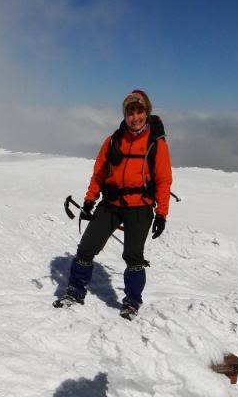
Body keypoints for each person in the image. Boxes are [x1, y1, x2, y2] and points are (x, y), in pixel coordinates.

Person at [54, 89, 173, 320]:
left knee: (133, 257)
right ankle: (75, 292)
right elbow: (99, 173)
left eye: (139, 111)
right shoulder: (113, 141)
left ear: (146, 113)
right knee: (86, 249)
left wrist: (161, 214)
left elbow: (163, 180)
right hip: (110, 204)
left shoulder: (156, 144)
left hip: (140, 207)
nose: (135, 117)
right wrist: (90, 199)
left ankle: (131, 302)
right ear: (125, 114)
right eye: (130, 112)